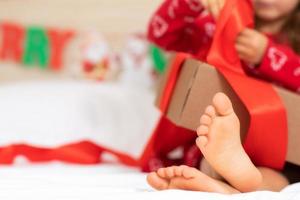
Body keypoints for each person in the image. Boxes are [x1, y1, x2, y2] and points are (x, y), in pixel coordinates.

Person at [146, 0, 300, 193]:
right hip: (216, 133)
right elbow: (160, 34)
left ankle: (231, 183)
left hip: (280, 150)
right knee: (208, 148)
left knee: (286, 173)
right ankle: (224, 175)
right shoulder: (217, 23)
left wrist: (267, 55)